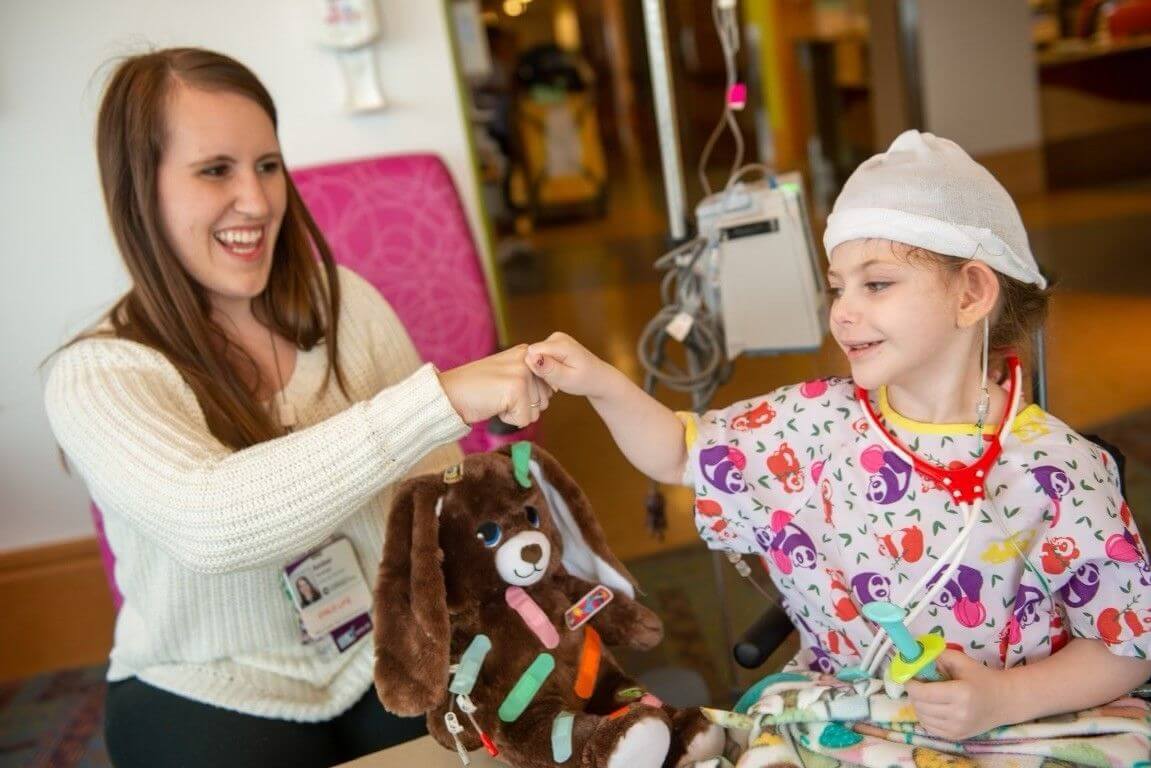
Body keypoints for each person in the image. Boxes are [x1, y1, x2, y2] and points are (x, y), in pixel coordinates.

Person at [525, 131, 1151, 742]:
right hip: (845, 720)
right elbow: (677, 454)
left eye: (876, 284)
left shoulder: (1057, 469)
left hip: (1018, 725)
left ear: (970, 293)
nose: (842, 311)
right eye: (837, 286)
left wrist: (1003, 698)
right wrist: (601, 381)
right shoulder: (813, 423)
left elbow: (1130, 645)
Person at [43, 48, 549, 768]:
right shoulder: (96, 374)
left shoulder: (346, 303)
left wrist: (524, 589)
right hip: (209, 686)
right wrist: (439, 397)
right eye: (215, 170)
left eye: (268, 165)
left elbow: (435, 499)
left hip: (384, 644)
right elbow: (214, 523)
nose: (257, 201)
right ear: (140, 192)